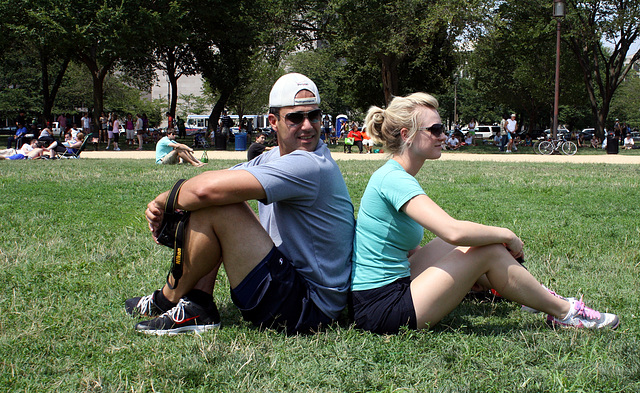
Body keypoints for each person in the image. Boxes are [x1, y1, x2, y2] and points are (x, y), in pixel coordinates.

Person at [350, 92, 619, 335]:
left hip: (389, 287)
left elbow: (401, 247)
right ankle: (565, 313)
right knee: (485, 250)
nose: (443, 136)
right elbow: (453, 231)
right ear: (407, 134)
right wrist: (508, 235)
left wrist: (466, 275)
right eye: (435, 130)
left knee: (465, 245)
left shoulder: (393, 174)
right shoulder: (394, 179)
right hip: (381, 308)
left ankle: (526, 294)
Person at [125, 73, 355, 335]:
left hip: (310, 309)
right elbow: (215, 181)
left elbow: (204, 191)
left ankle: (166, 299)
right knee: (216, 197)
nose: (308, 125)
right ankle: (196, 304)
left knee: (217, 202)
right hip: (295, 286)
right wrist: (177, 202)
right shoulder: (274, 159)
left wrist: (161, 202)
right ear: (274, 122)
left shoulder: (309, 164)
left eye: (314, 116)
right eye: (295, 117)